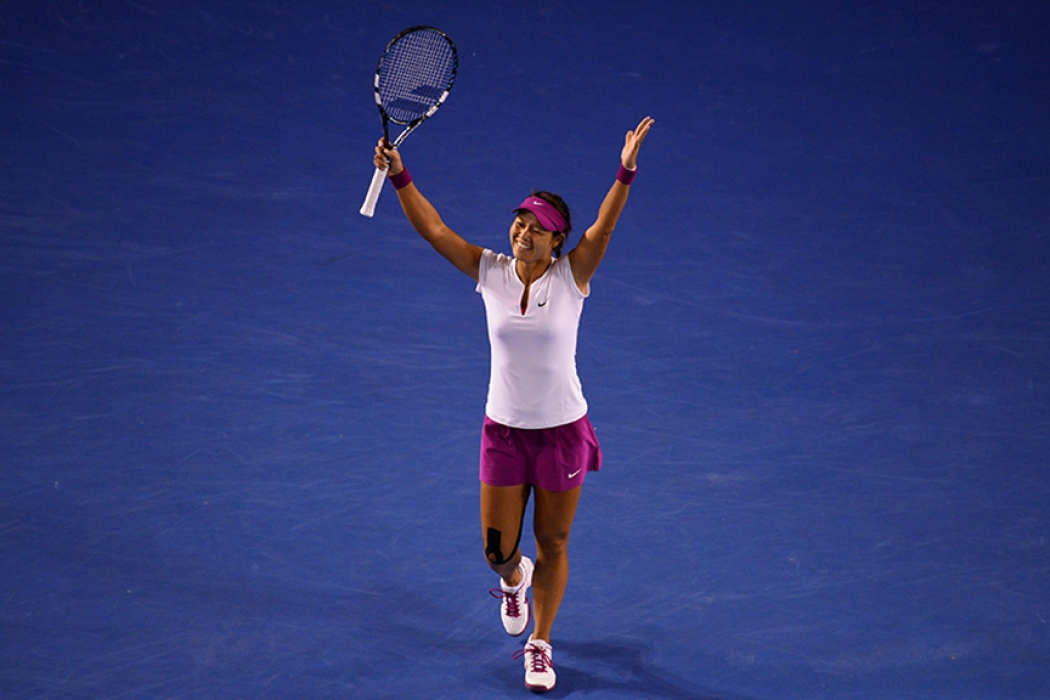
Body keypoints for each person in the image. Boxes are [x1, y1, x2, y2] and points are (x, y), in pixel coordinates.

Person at [372, 116, 653, 693]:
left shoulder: (574, 276)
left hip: (561, 433)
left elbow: (603, 229)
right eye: (519, 221)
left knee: (553, 542)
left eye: (537, 227)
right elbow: (434, 230)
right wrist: (401, 177)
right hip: (502, 432)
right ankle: (514, 579)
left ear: (556, 240)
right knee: (498, 550)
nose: (522, 232)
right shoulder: (490, 272)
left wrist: (624, 170)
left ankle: (541, 644)